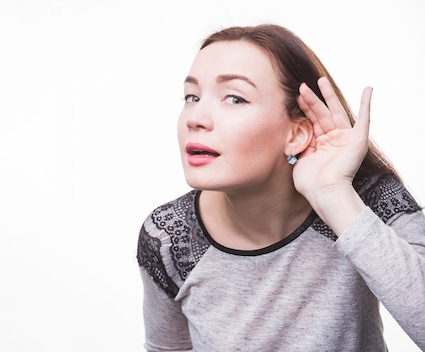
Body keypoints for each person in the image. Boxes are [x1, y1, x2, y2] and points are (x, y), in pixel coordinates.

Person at [136, 23, 425, 351]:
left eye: (234, 98)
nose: (195, 118)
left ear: (296, 134)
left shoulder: (365, 198)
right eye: (192, 96)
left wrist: (333, 195)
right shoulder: (167, 238)